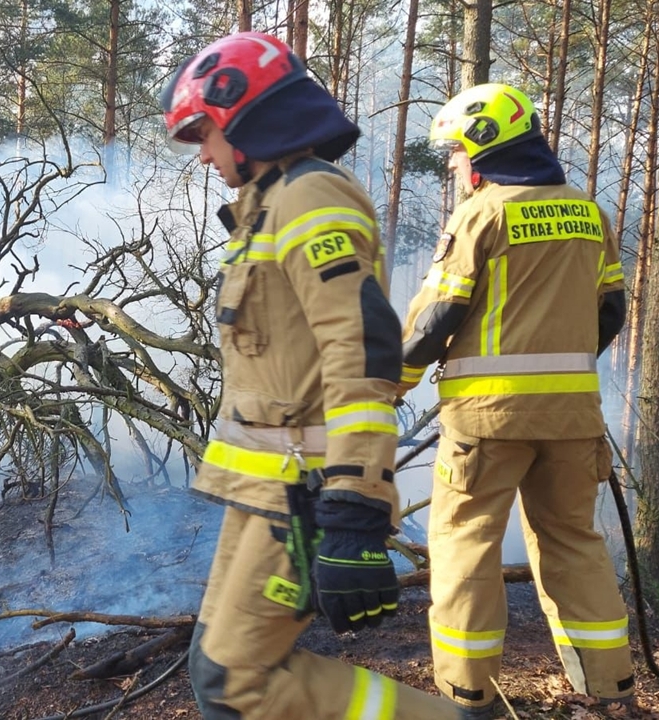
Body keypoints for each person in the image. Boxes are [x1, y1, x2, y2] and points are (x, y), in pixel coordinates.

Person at [161, 31, 461, 720]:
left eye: (204, 134)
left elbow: (361, 354)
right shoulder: (268, 206)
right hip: (266, 492)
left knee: (238, 684)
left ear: (245, 117)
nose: (202, 154)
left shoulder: (311, 197)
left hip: (306, 495)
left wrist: (354, 508)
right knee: (215, 669)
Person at [398, 82, 634, 718]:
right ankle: (609, 690)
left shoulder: (483, 213)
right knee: (573, 542)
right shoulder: (589, 214)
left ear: (484, 145)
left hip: (488, 420)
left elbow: (436, 317)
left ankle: (469, 697)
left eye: (456, 151)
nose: (453, 164)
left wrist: (390, 385)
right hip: (573, 419)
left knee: (465, 545)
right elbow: (610, 311)